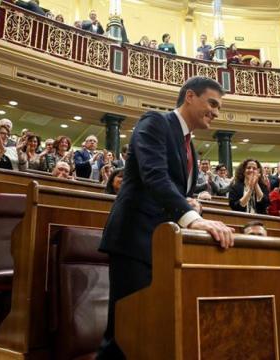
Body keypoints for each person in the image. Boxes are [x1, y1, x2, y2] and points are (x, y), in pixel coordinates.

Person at [97, 77, 234, 358]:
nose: (216, 112)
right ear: (190, 97)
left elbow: (171, 188)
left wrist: (187, 201)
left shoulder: (190, 147)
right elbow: (154, 176)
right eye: (212, 103)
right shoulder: (155, 122)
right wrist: (192, 217)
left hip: (162, 246)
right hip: (134, 241)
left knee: (151, 331)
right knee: (124, 332)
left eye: (219, 107)